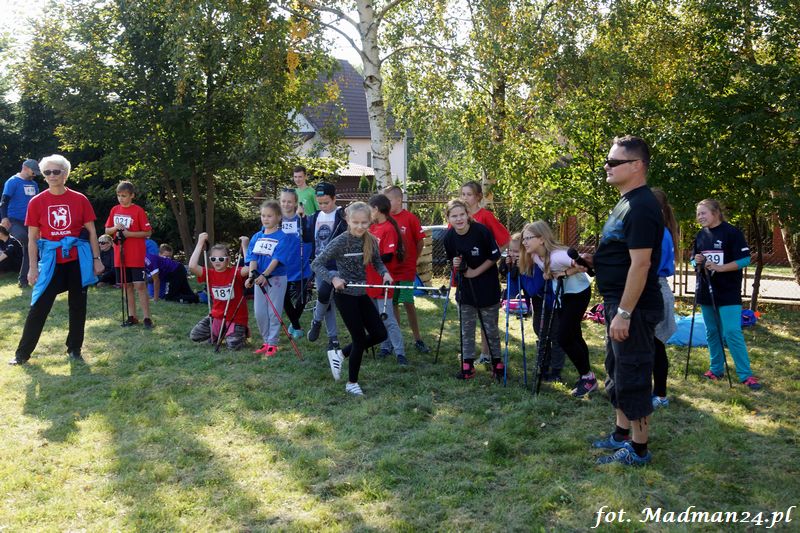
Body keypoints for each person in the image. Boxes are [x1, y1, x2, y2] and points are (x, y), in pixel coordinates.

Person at [579, 135, 664, 466]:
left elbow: (641, 265)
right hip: (619, 302)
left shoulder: (642, 206)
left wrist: (625, 313)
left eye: (614, 162)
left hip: (634, 307)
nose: (607, 166)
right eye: (607, 161)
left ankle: (639, 450)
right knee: (617, 370)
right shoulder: (626, 202)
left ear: (637, 166)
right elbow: (622, 255)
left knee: (634, 374)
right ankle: (620, 434)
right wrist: (594, 262)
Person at [8, 154, 103, 365]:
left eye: (56, 171)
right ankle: (22, 354)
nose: (51, 175)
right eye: (47, 172)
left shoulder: (80, 199)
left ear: (65, 174)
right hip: (52, 261)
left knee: (78, 306)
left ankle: (74, 349)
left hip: (78, 260)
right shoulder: (36, 202)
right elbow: (32, 239)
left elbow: (92, 232)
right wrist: (33, 268)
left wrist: (97, 259)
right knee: (39, 305)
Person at [311, 202, 391, 396]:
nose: (360, 226)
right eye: (356, 222)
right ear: (348, 220)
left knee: (380, 334)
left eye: (364, 222)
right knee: (359, 339)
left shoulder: (371, 240)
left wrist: (385, 273)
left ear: (370, 221)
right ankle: (351, 383)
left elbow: (377, 261)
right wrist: (334, 279)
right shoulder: (340, 241)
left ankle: (340, 354)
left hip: (361, 293)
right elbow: (317, 263)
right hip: (345, 295)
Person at [520, 220, 596, 397]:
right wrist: (549, 274)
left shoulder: (558, 256)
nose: (524, 242)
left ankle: (588, 377)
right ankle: (587, 377)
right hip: (563, 295)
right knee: (574, 335)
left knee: (564, 337)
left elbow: (583, 266)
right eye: (524, 238)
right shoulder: (535, 256)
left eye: (528, 238)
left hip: (578, 294)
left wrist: (564, 273)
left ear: (541, 239)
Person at [693, 199, 762, 390]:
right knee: (712, 331)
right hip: (706, 291)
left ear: (715, 212)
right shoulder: (701, 234)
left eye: (703, 213)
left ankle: (745, 375)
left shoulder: (732, 232)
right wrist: (695, 261)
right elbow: (693, 259)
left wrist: (721, 268)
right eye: (698, 214)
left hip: (728, 292)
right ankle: (716, 369)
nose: (699, 217)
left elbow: (745, 259)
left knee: (732, 331)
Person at [442, 199, 504, 381]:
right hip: (465, 289)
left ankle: (497, 363)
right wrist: (456, 264)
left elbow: (495, 256)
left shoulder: (481, 231)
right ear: (448, 218)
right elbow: (452, 261)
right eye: (454, 216)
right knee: (466, 328)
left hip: (487, 286)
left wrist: (475, 272)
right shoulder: (449, 237)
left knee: (490, 328)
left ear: (468, 214)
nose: (459, 219)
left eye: (462, 214)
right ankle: (467, 365)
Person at [460, 180, 510, 363]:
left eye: (469, 194)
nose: (465, 198)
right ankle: (468, 355)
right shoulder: (459, 216)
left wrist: (492, 257)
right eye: (463, 194)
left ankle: (486, 354)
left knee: (486, 317)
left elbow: (505, 239)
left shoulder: (485, 216)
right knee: (467, 316)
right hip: (465, 275)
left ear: (478, 197)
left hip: (485, 275)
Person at [245, 200, 296, 357]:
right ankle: (266, 341)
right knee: (259, 312)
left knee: (273, 311)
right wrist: (251, 276)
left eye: (269, 216)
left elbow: (276, 259)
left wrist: (265, 274)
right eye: (263, 215)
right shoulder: (257, 236)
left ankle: (273, 343)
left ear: (279, 217)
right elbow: (252, 257)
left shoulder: (283, 237)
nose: (265, 219)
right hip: (259, 279)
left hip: (276, 279)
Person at [383, 186, 430, 353]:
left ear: (399, 200)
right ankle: (396, 339)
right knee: (392, 303)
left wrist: (412, 261)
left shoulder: (410, 218)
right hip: (390, 271)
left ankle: (418, 339)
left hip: (406, 271)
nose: (386, 204)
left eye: (389, 200)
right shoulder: (384, 219)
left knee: (408, 302)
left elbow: (420, 242)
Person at [304, 182, 347, 351]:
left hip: (336, 264)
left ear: (334, 198)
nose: (323, 206)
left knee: (324, 294)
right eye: (320, 203)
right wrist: (302, 220)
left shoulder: (342, 215)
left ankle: (316, 321)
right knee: (327, 302)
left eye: (326, 202)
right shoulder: (315, 216)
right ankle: (333, 338)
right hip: (319, 264)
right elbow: (308, 238)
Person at [105, 180, 154, 329]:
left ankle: (147, 317)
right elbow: (107, 230)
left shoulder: (138, 210)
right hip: (120, 255)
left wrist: (129, 234)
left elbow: (148, 232)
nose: (121, 198)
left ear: (132, 195)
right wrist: (115, 228)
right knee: (126, 286)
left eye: (124, 195)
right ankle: (132, 316)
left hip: (135, 254)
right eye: (119, 195)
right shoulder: (114, 210)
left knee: (139, 285)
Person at [188, 233, 250, 350]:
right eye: (213, 259)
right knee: (195, 335)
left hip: (236, 317)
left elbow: (249, 268)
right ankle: (220, 333)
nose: (217, 261)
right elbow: (192, 266)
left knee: (233, 347)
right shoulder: (209, 274)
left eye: (221, 259)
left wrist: (245, 246)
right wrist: (200, 243)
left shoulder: (235, 272)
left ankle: (239, 332)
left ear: (228, 260)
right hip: (217, 316)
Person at [368, 193, 408, 365]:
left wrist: (369, 258)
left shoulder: (388, 228)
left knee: (388, 318)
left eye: (370, 209)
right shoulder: (372, 228)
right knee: (376, 317)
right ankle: (385, 346)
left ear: (377, 209)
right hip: (370, 279)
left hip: (383, 280)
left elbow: (388, 256)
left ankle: (400, 352)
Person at [651, 188, 679, 408]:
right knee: (652, 345)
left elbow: (650, 266)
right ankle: (656, 392)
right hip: (656, 288)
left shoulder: (659, 233)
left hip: (655, 289)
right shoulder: (659, 231)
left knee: (655, 345)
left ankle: (660, 394)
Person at [1, 158, 41, 288]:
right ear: (25, 168)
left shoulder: (34, 184)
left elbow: (37, 204)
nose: (35, 175)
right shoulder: (12, 181)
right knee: (27, 241)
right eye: (33, 172)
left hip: (31, 222)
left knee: (31, 247)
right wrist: (4, 218)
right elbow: (4, 201)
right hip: (13, 220)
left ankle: (23, 280)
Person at [280, 188, 312, 339]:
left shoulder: (301, 218)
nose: (286, 204)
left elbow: (309, 237)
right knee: (283, 297)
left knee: (303, 297)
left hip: (300, 264)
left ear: (295, 203)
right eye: (283, 201)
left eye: (289, 201)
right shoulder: (276, 219)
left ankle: (294, 324)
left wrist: (303, 217)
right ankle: (296, 325)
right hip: (281, 265)